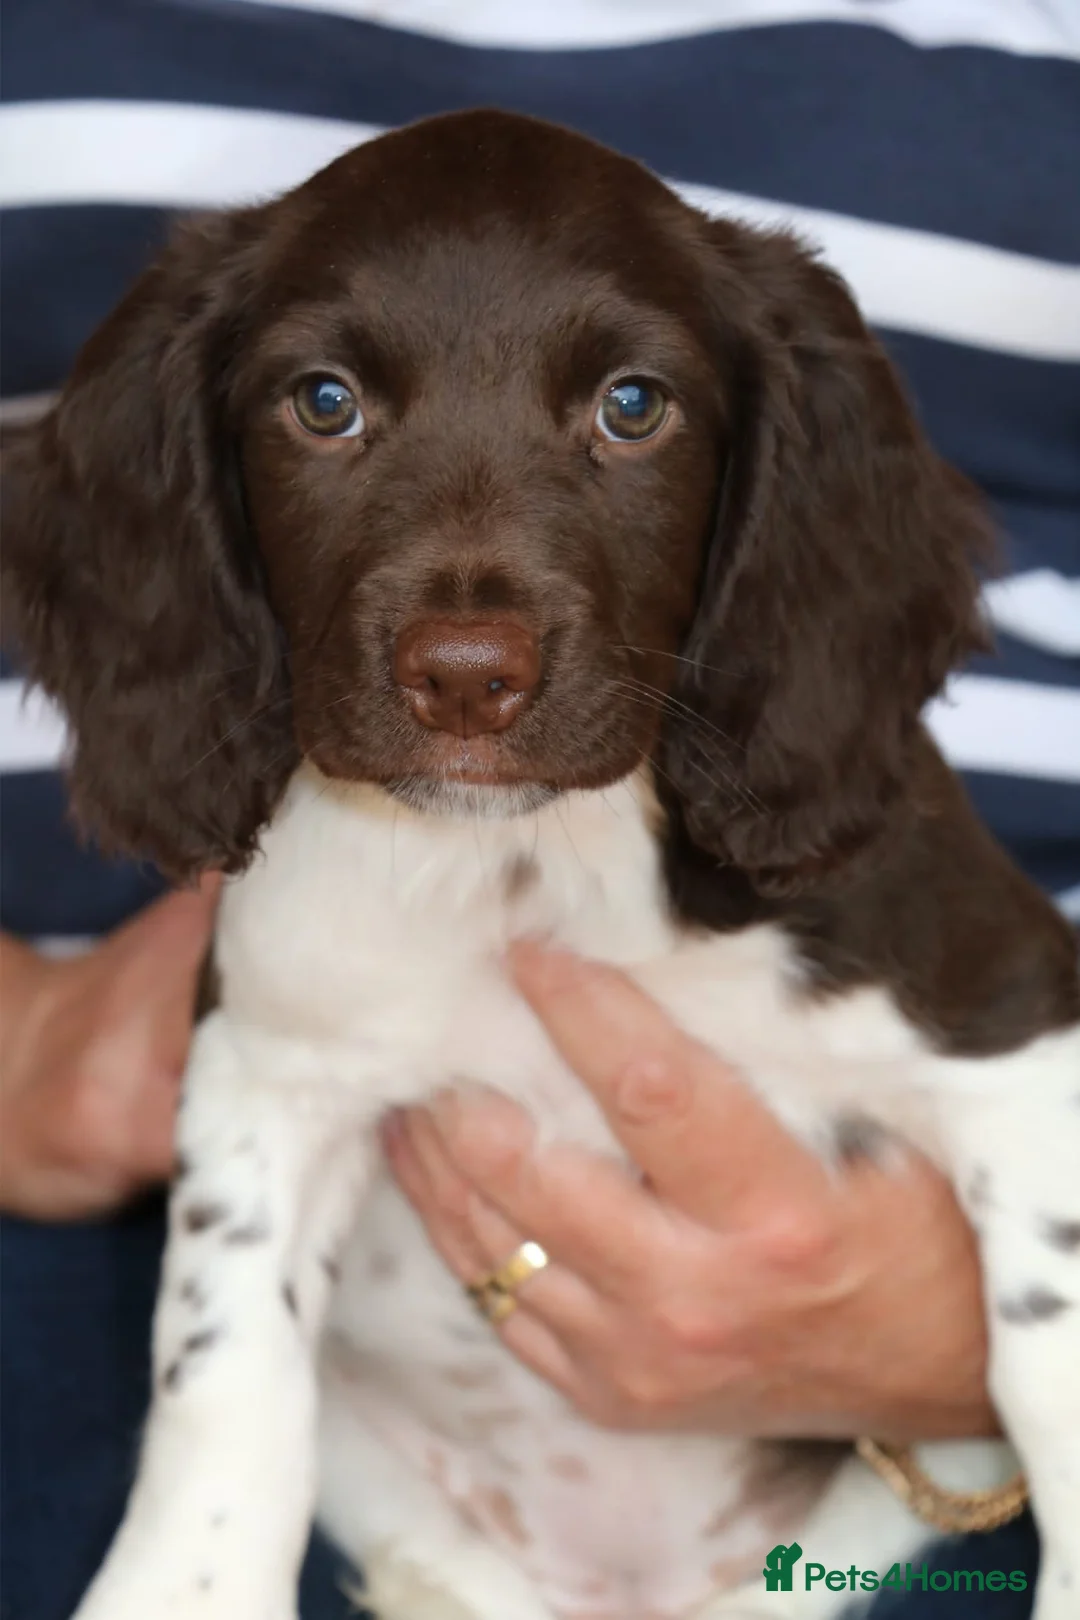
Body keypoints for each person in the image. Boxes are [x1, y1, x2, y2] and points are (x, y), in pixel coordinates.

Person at [2, 4, 1077, 1617]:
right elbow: (265, 1099)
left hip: (883, 1490)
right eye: (326, 405)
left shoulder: (874, 885)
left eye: (629, 410)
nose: (467, 641)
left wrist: (969, 1363)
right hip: (257, 1357)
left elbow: (1029, 1069)